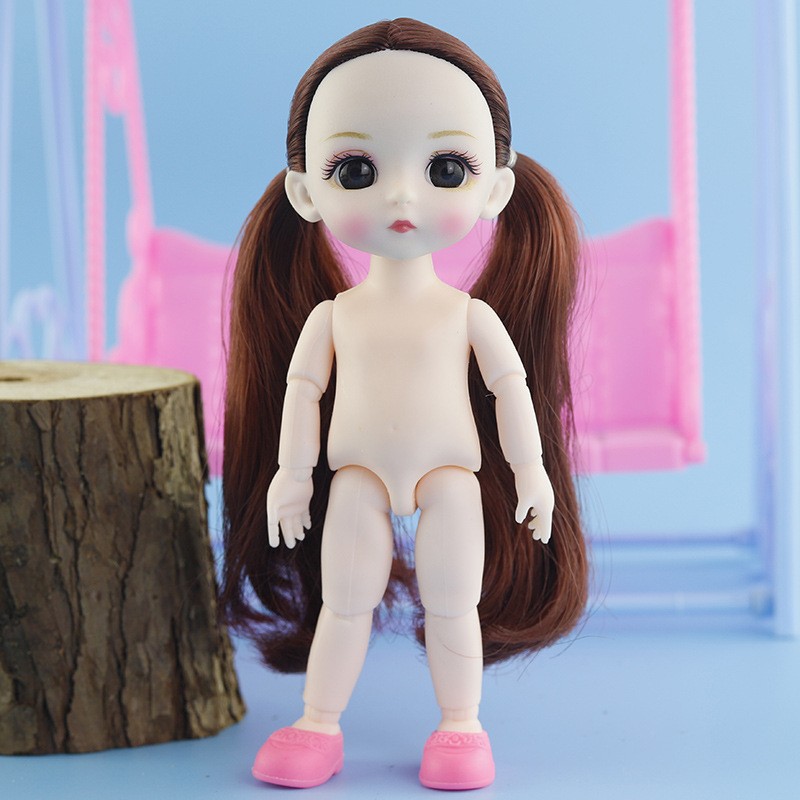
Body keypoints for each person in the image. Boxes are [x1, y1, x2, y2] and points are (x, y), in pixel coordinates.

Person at [221, 18, 588, 790]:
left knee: (453, 604)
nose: (399, 195)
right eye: (355, 169)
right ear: (305, 192)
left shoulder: (467, 316)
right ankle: (318, 723)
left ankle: (461, 726)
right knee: (345, 602)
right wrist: (292, 475)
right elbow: (302, 392)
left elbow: (510, 388)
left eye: (446, 168)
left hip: (450, 473)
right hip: (356, 472)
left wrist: (532, 471)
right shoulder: (334, 318)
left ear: (495, 188)